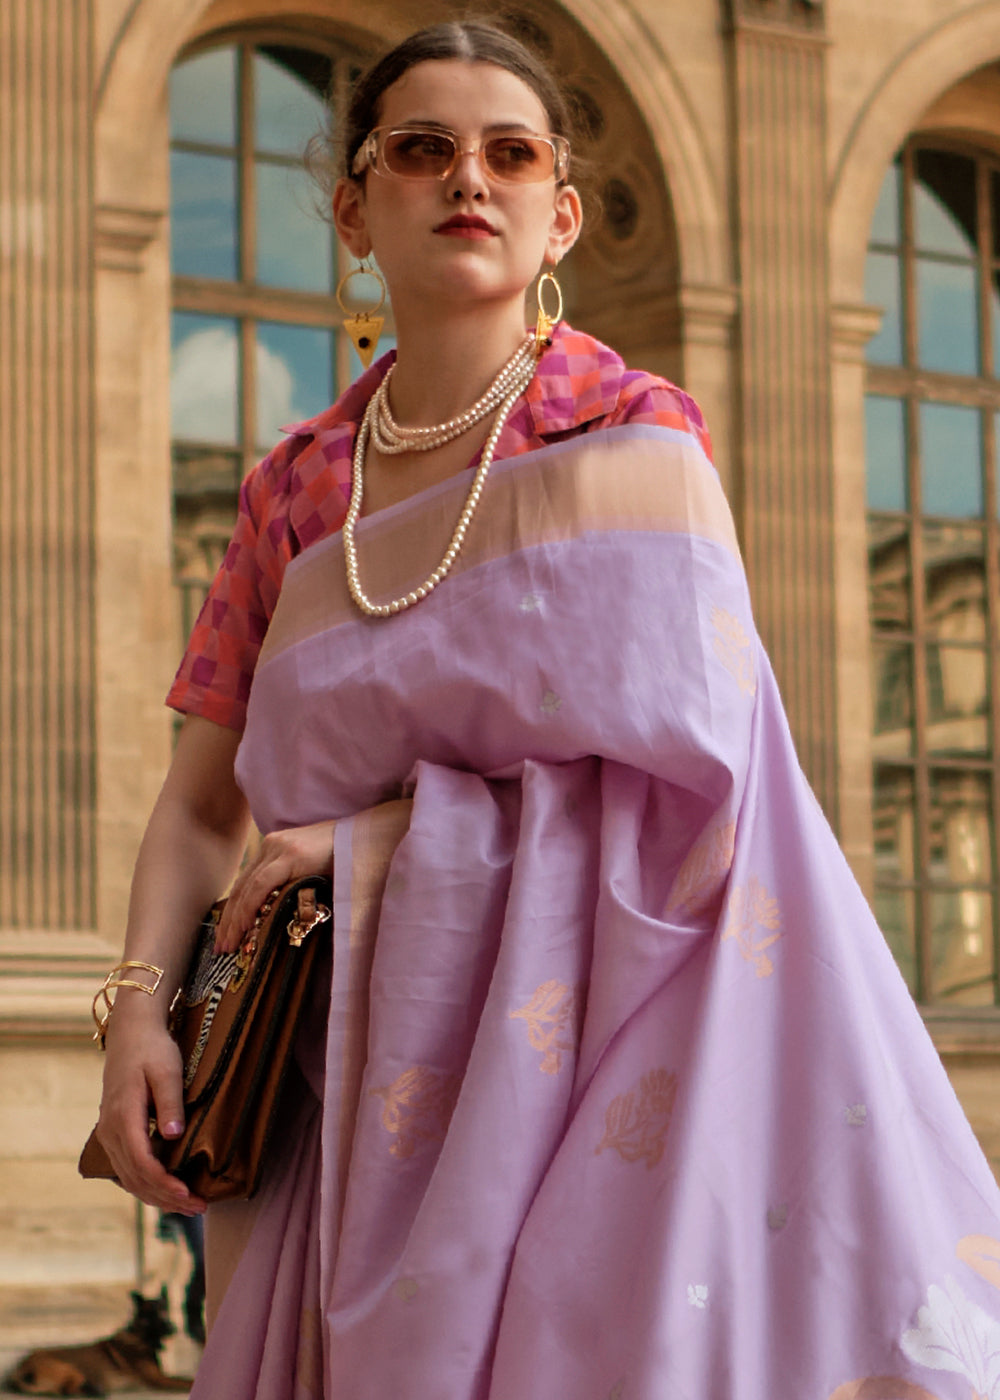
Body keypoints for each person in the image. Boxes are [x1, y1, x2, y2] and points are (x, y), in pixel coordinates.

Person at [91, 19, 1000, 1400]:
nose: (469, 176)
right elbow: (199, 805)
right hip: (339, 1078)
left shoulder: (630, 436)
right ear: (354, 209)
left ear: (560, 214)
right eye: (422, 148)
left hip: (598, 1060)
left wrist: (373, 845)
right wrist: (135, 1019)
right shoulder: (295, 489)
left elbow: (705, 797)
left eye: (510, 154)